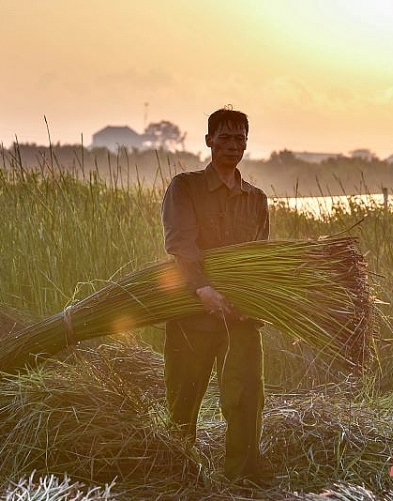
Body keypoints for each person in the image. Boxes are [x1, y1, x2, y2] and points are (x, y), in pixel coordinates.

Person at [161, 107, 269, 484]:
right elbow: (180, 243)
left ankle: (243, 479)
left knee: (245, 400)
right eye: (224, 137)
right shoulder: (185, 186)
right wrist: (203, 289)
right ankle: (177, 478)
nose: (232, 146)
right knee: (183, 402)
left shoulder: (255, 198)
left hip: (240, 318)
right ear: (208, 140)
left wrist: (252, 302)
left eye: (240, 138)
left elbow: (260, 257)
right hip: (191, 312)